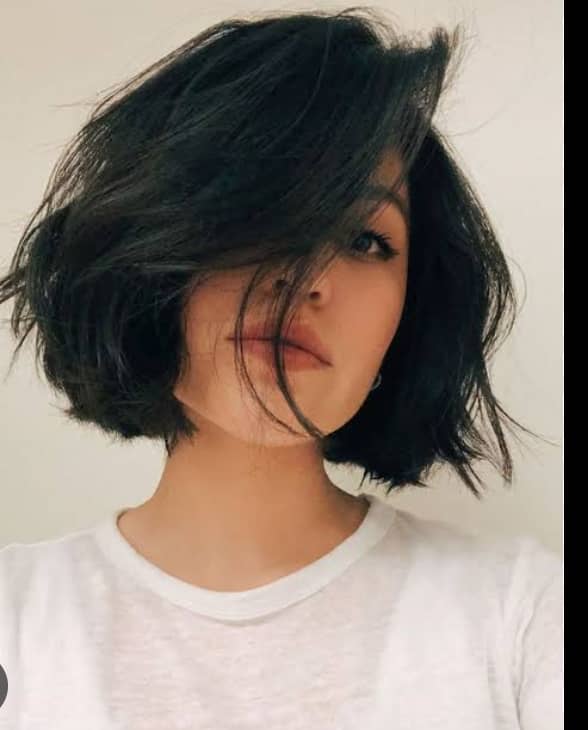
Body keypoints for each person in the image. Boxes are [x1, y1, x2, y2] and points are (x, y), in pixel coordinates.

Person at [0, 7, 562, 729]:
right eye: (267, 215)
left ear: (408, 318)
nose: (307, 275)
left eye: (365, 240)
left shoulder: (522, 619)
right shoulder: (19, 621)